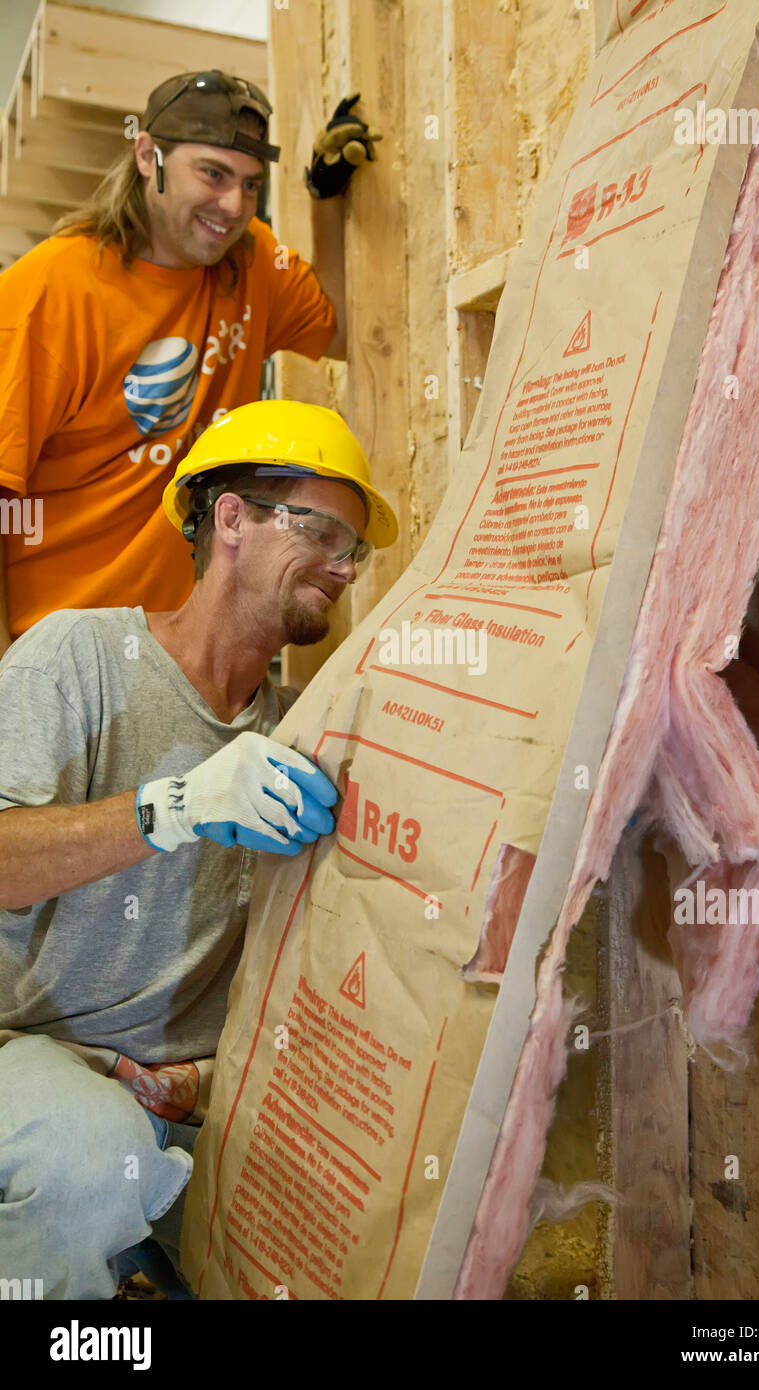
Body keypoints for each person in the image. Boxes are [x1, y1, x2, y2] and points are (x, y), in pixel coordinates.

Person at [0, 399, 398, 1299]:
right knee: (89, 1158)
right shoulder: (79, 657)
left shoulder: (306, 731)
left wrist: (212, 1075)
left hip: (192, 1096)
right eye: (324, 530)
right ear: (231, 519)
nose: (342, 566)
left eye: (354, 549)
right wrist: (171, 807)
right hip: (28, 1058)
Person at [0, 72, 381, 655]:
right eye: (213, 174)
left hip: (182, 654)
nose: (233, 206)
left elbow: (346, 331)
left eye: (251, 185)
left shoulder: (251, 260)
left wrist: (325, 201)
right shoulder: (46, 293)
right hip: (57, 654)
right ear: (149, 155)